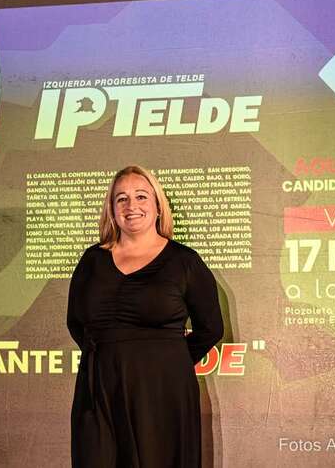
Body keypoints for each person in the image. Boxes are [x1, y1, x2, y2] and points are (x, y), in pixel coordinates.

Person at [67, 165, 223, 467]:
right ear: (112, 210)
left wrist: (166, 359)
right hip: (98, 389)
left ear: (158, 206)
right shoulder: (91, 260)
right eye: (121, 198)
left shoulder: (184, 261)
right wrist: (111, 357)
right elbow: (76, 322)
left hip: (163, 390)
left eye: (141, 196)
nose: (131, 206)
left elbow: (211, 328)